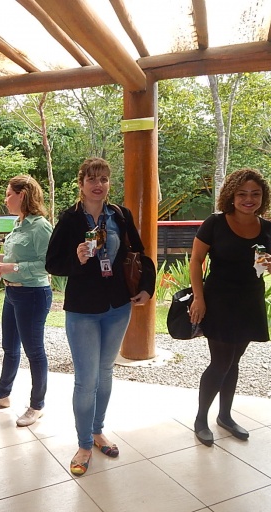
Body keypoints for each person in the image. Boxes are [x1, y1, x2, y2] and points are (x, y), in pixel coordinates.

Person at [45, 157, 156, 476]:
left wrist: (146, 287)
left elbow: (140, 253)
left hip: (117, 306)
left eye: (104, 179)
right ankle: (83, 444)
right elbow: (52, 263)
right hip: (82, 310)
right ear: (81, 184)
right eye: (92, 179)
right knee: (86, 379)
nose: (98, 184)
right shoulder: (70, 219)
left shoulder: (120, 215)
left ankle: (97, 431)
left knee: (105, 371)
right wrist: (77, 258)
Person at [189, 168, 271, 447]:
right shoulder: (215, 223)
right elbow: (196, 261)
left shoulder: (268, 229)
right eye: (242, 194)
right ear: (231, 196)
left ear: (263, 197)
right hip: (218, 300)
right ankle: (200, 419)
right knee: (220, 362)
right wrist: (198, 298)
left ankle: (225, 416)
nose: (249, 199)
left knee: (234, 362)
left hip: (249, 301)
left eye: (255, 194)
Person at [0, 175, 53, 427]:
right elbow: (16, 257)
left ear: (23, 195)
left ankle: (37, 406)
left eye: (9, 194)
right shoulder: (19, 224)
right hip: (12, 293)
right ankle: (2, 395)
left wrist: (14, 267)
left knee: (34, 352)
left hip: (33, 295)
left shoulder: (40, 226)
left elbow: (48, 264)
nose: (6, 199)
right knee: (9, 348)